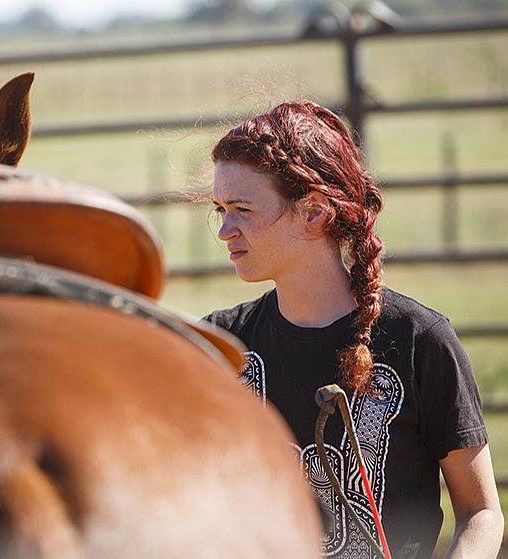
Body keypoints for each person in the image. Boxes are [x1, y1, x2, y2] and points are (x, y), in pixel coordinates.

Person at [200, 101, 503, 558]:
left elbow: (481, 512)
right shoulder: (218, 345)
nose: (225, 229)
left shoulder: (420, 340)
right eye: (220, 208)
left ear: (315, 213)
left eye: (242, 208)